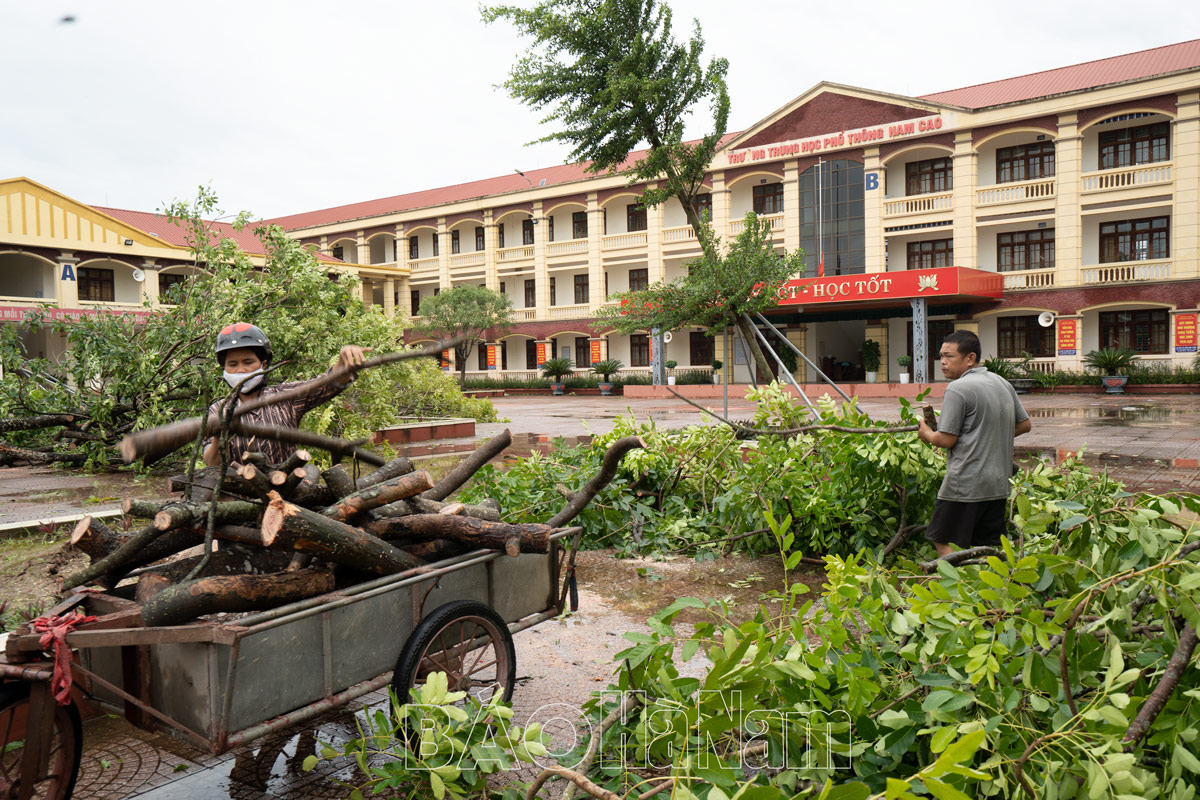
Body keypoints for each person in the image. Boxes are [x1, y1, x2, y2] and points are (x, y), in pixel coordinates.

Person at [916, 330, 1032, 556]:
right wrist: (988, 437)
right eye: (940, 356)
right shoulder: (1002, 382)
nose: (942, 362)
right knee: (985, 546)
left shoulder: (958, 388)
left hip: (966, 483)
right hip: (998, 483)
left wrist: (927, 433)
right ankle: (984, 587)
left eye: (949, 356)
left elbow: (947, 439)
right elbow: (1024, 424)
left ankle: (958, 588)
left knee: (942, 539)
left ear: (970, 358)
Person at [202, 322, 370, 466]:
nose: (241, 369)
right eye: (233, 364)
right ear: (224, 369)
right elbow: (212, 464)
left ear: (264, 364)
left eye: (248, 362)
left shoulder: (285, 397)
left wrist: (344, 360)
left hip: (291, 495)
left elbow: (326, 384)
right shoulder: (217, 410)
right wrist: (220, 436)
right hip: (239, 501)